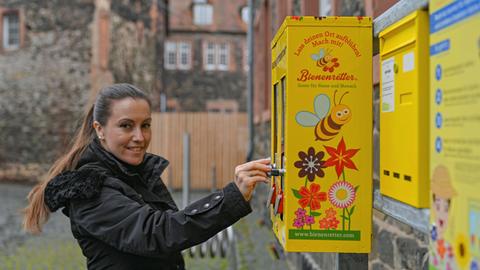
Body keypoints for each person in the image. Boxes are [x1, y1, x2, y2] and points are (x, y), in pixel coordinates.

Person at [22, 83, 271, 270]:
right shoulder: (89, 189)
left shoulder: (133, 172)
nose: (140, 137)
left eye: (146, 125)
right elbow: (157, 232)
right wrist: (230, 198)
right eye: (126, 125)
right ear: (100, 129)